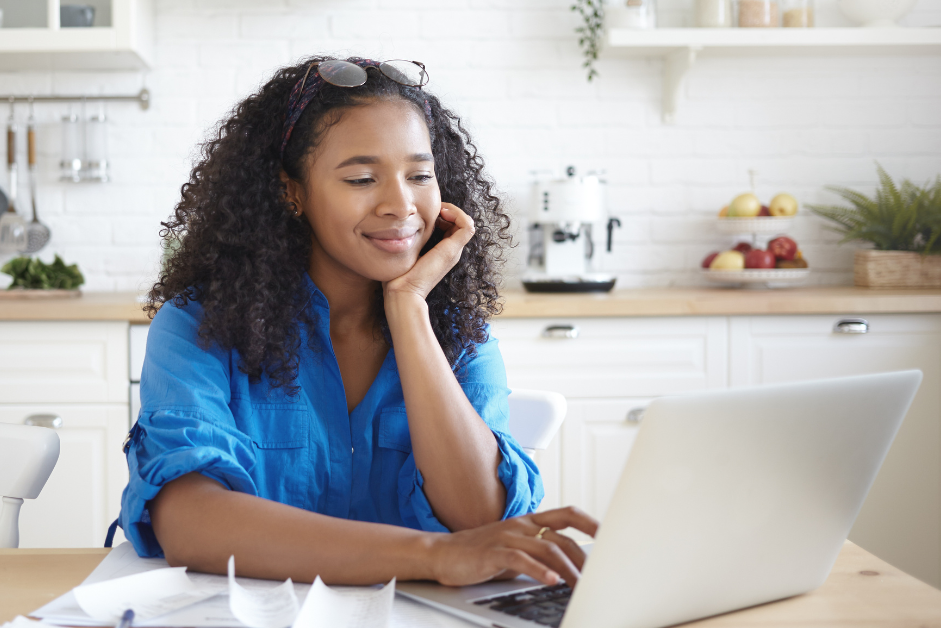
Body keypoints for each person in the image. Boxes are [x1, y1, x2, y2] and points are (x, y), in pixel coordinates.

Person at [119, 56, 598, 588]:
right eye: (363, 178)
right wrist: (433, 556)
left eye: (419, 175)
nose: (401, 204)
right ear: (291, 191)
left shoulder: (459, 333)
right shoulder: (198, 325)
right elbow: (191, 523)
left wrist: (410, 308)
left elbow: (481, 520)